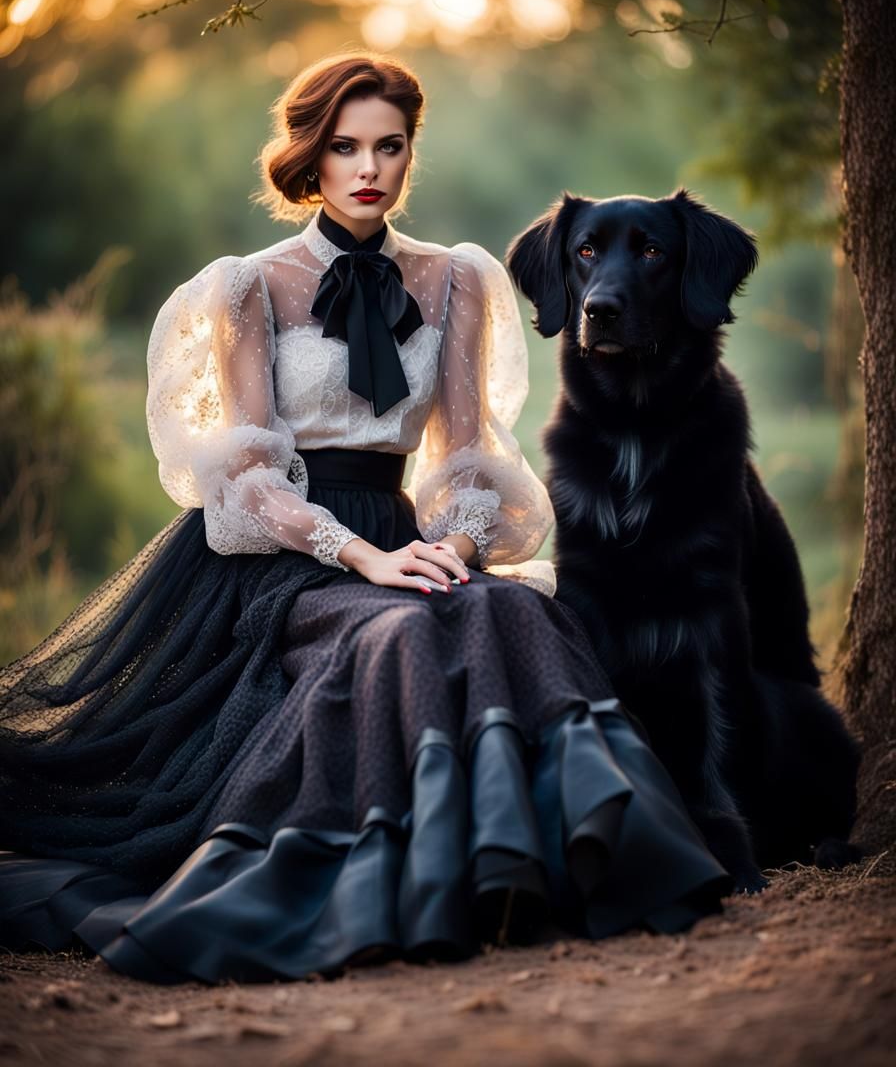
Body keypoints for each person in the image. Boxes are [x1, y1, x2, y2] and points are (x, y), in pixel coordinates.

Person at [0, 53, 732, 984]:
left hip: (407, 531)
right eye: (345, 147)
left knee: (514, 608)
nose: (369, 168)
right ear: (312, 155)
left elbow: (465, 458)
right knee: (401, 632)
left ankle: (588, 859)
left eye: (390, 146)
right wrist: (362, 558)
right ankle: (408, 886)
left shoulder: (455, 280)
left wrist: (454, 544)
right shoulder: (248, 286)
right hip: (282, 556)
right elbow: (251, 480)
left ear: (410, 154)